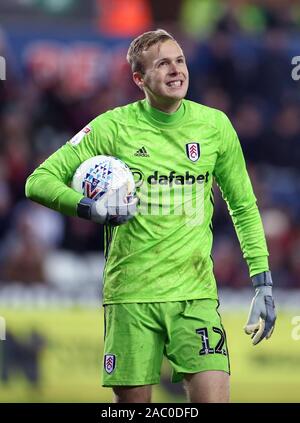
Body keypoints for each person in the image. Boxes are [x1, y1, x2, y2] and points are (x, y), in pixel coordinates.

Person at [25, 29, 276, 403]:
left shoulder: (215, 126)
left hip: (195, 296)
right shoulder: (113, 126)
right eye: (163, 64)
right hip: (131, 296)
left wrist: (263, 280)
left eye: (180, 61)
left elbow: (243, 205)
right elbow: (38, 181)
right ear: (139, 79)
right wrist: (89, 208)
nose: (176, 71)